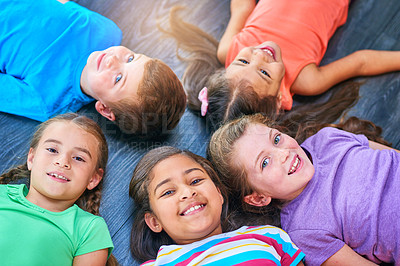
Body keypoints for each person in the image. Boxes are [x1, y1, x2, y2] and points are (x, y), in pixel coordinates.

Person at [163, 0, 400, 128]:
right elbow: (360, 62)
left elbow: (242, 7)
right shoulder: (305, 80)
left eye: (243, 61)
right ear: (277, 99)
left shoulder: (228, 49)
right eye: (265, 72)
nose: (259, 55)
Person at [207, 113, 400, 265]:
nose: (283, 153)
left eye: (276, 140)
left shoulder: (328, 138)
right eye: (265, 162)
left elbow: (394, 157)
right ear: (258, 198)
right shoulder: (303, 231)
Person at [0, 0, 186, 135]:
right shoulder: (107, 30)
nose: (112, 60)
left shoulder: (47, 102)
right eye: (130, 58)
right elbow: (62, 5)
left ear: (105, 109)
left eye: (118, 79)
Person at [129, 146, 305, 265]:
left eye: (196, 180)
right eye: (168, 192)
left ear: (219, 193)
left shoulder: (269, 236)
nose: (187, 193)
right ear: (154, 222)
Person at [0, 113, 117, 266]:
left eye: (78, 158)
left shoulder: (88, 228)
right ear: (32, 159)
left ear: (93, 178)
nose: (62, 162)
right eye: (52, 150)